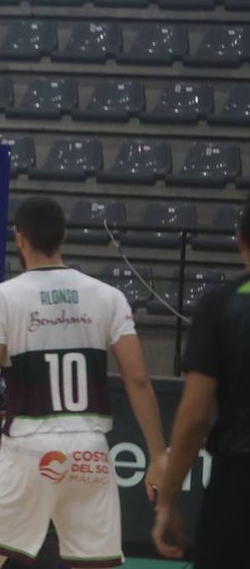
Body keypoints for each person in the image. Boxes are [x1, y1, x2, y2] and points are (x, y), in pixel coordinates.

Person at [0, 196, 168, 569]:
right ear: (64, 237)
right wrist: (158, 455)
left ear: (20, 239)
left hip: (28, 450)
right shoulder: (108, 296)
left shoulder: (3, 298)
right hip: (90, 452)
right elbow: (137, 379)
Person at [152, 196, 250, 567]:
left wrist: (168, 500)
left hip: (239, 486)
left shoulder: (222, 305)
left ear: (240, 238)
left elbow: (194, 416)